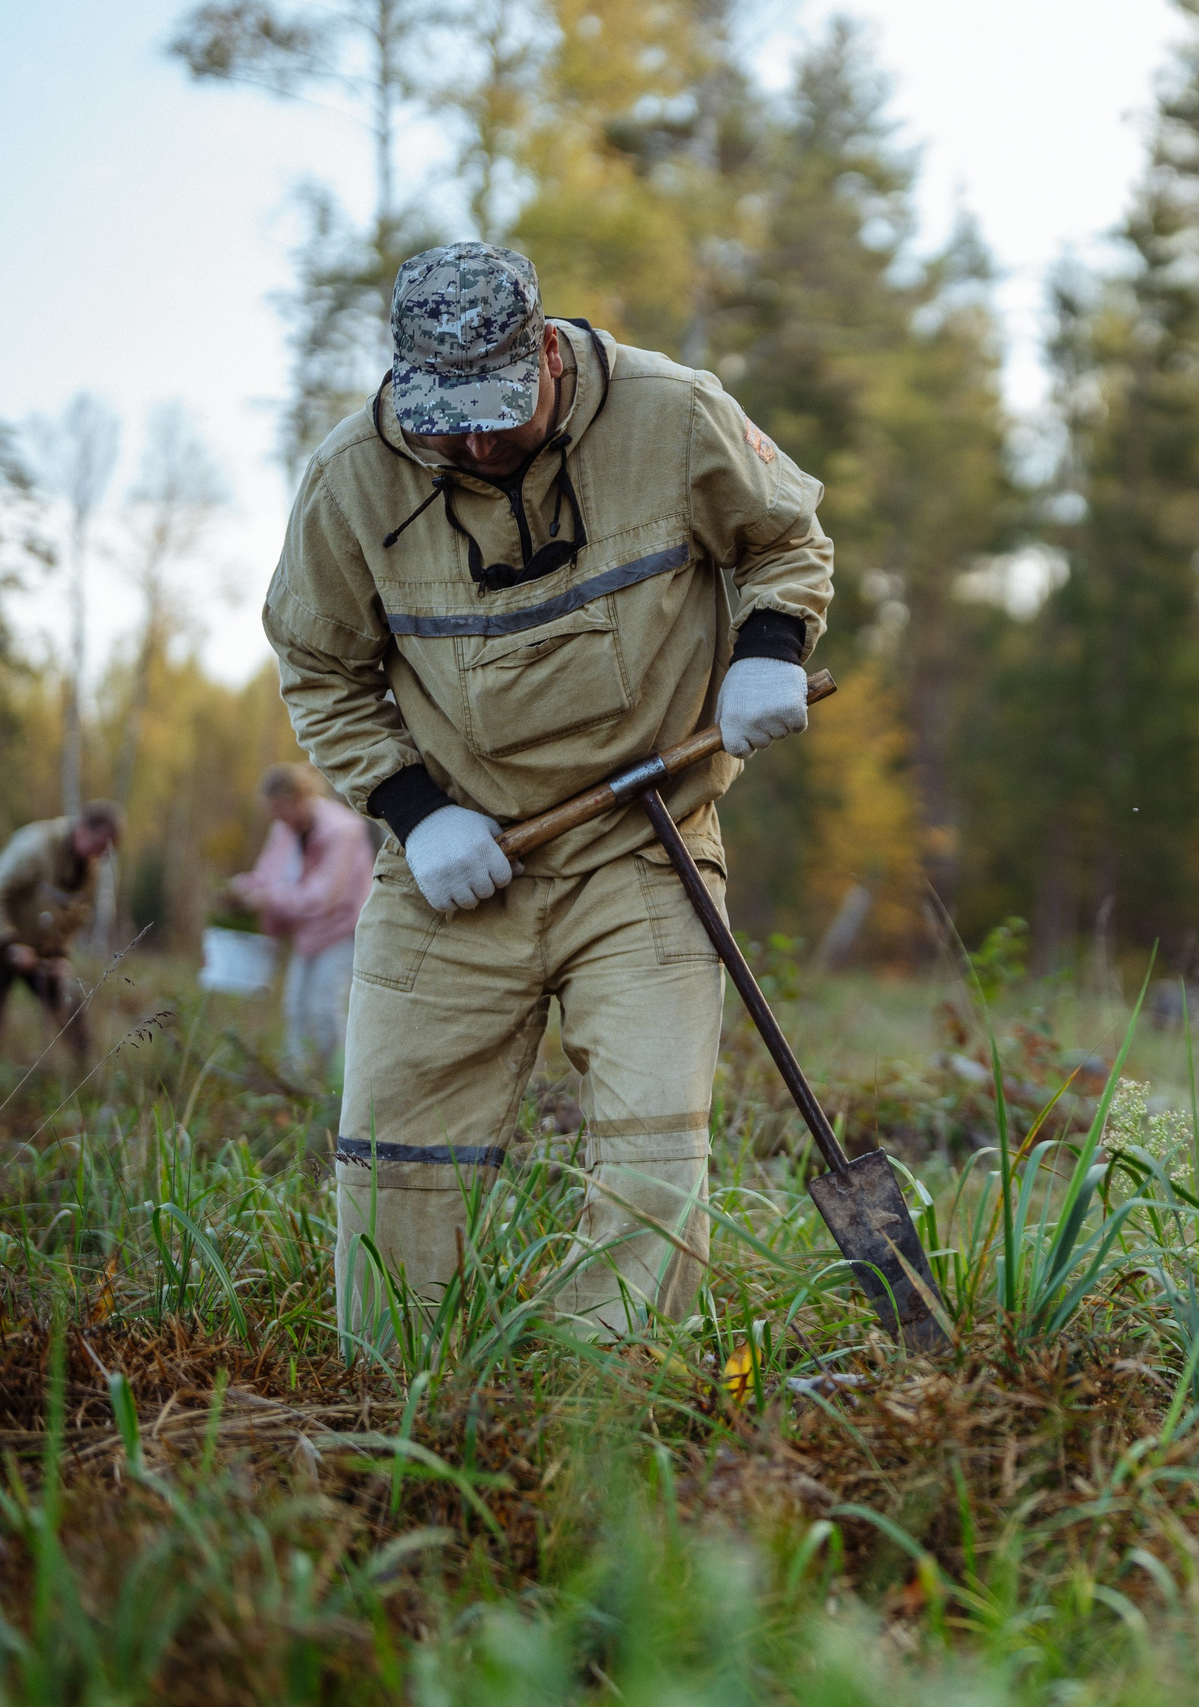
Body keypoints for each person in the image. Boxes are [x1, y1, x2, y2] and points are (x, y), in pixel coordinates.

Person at [265, 241, 830, 1343]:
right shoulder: (348, 484)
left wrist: (768, 643)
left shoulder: (673, 414)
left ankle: (587, 1415)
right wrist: (415, 814)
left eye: (499, 412)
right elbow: (320, 672)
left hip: (646, 848)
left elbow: (783, 539)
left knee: (654, 1162)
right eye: (447, 418)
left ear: (551, 365)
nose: (474, 442)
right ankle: (403, 1414)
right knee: (397, 1160)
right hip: (456, 875)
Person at [228, 763, 376, 1077]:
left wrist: (269, 899)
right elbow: (268, 875)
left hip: (342, 930)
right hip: (306, 933)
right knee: (294, 1008)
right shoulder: (284, 829)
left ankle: (334, 1087)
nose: (275, 816)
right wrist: (243, 889)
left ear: (300, 799)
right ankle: (296, 1080)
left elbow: (326, 895)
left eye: (279, 808)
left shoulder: (344, 829)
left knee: (324, 1009)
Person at [0, 802, 123, 1065]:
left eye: (107, 850)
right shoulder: (36, 847)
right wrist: (9, 944)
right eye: (98, 845)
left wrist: (61, 957)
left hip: (37, 947)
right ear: (83, 828)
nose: (101, 855)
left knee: (69, 1003)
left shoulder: (91, 868)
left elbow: (74, 917)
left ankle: (87, 1071)